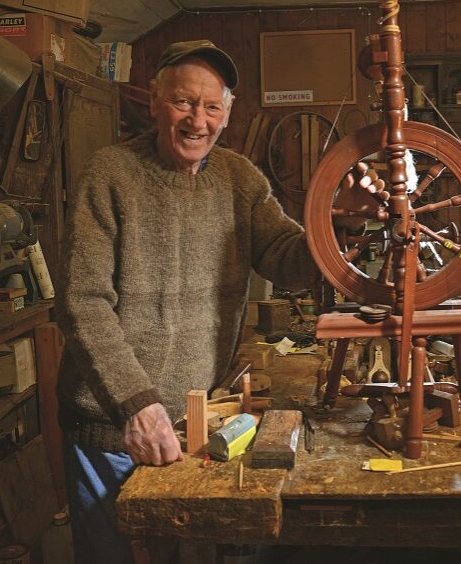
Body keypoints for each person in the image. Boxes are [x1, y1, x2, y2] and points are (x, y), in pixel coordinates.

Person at [56, 40, 318, 563]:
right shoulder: (110, 174)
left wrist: (336, 224)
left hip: (200, 424)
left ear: (227, 113)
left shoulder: (239, 178)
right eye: (183, 102)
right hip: (113, 427)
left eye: (211, 106)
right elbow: (82, 301)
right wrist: (135, 403)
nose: (197, 120)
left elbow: (289, 258)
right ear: (154, 102)